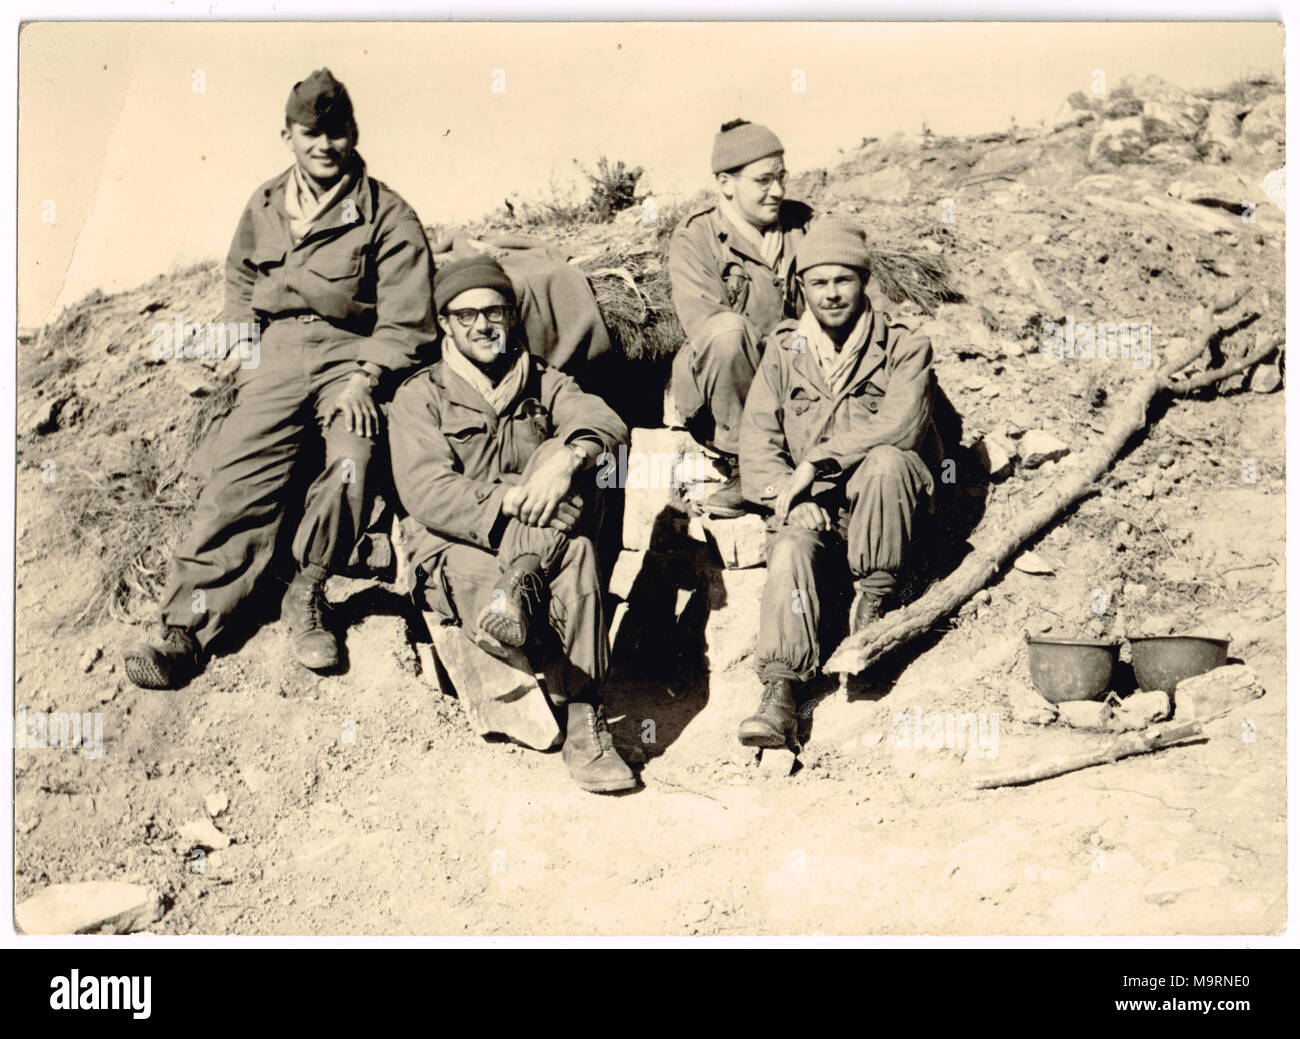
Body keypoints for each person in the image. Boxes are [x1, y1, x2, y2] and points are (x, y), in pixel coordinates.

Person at [124, 68, 437, 689]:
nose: (324, 146)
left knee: (353, 454)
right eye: (310, 134)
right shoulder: (265, 203)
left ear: (354, 133)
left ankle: (308, 591)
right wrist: (243, 344)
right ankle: (185, 626)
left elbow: (409, 316)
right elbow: (240, 279)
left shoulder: (387, 213)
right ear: (288, 136)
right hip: (276, 348)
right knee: (238, 471)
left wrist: (367, 377)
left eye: (336, 133)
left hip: (352, 352)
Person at [388, 255, 636, 794]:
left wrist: (566, 461)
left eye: (495, 312)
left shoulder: (542, 380)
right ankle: (581, 712)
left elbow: (606, 422)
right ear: (445, 325)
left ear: (512, 316)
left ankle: (583, 722)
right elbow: (427, 491)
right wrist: (515, 499)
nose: (483, 326)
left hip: (541, 544)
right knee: (573, 551)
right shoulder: (420, 397)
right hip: (457, 547)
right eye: (466, 315)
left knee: (563, 461)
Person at [736, 221, 943, 749]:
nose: (830, 294)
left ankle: (873, 616)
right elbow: (757, 439)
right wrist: (790, 495)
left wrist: (818, 462)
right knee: (789, 548)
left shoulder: (904, 347)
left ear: (864, 281)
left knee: (884, 462)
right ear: (802, 287)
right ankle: (780, 692)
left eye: (843, 280)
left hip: (889, 513)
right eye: (818, 282)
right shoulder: (785, 350)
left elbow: (903, 424)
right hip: (820, 513)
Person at [667, 119, 812, 517]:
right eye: (764, 180)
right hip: (732, 379)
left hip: (798, 369)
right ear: (726, 183)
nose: (778, 191)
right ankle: (743, 467)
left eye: (782, 177)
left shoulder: (804, 224)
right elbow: (706, 324)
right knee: (728, 333)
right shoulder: (696, 237)